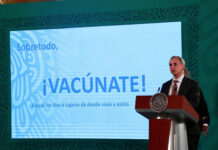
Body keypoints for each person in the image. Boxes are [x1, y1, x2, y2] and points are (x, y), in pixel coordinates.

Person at [160, 56, 209, 150]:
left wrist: (205, 122)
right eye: (170, 65)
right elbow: (161, 105)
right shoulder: (165, 86)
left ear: (183, 66)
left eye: (175, 64)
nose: (172, 67)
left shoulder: (193, 84)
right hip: (169, 129)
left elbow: (195, 104)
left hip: (189, 129)